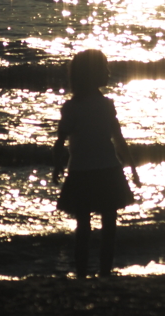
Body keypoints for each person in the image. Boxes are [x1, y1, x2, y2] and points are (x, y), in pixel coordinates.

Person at [52, 49, 141, 277]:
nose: (108, 72)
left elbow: (61, 141)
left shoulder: (74, 107)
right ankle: (103, 272)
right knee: (107, 226)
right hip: (106, 171)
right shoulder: (101, 105)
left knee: (84, 226)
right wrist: (131, 166)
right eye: (104, 68)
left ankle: (84, 273)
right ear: (91, 74)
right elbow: (119, 139)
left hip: (84, 171)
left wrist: (57, 166)